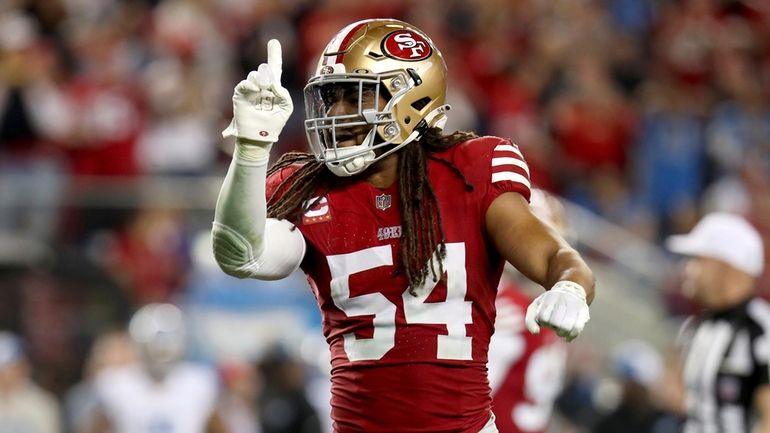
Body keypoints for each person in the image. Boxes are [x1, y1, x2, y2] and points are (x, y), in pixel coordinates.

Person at [212, 18, 595, 433]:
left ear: (412, 99)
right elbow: (243, 255)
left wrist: (570, 286)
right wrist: (251, 148)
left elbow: (556, 255)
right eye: (333, 98)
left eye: (356, 97)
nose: (338, 113)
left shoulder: (471, 172)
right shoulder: (310, 189)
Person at [666, 212, 770, 433]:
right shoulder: (695, 327)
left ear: (726, 265)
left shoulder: (760, 329)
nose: (687, 269)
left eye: (698, 260)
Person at [85, 304, 224, 433]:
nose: (160, 355)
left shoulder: (199, 381)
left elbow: (219, 427)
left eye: (165, 349)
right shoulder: (115, 383)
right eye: (155, 349)